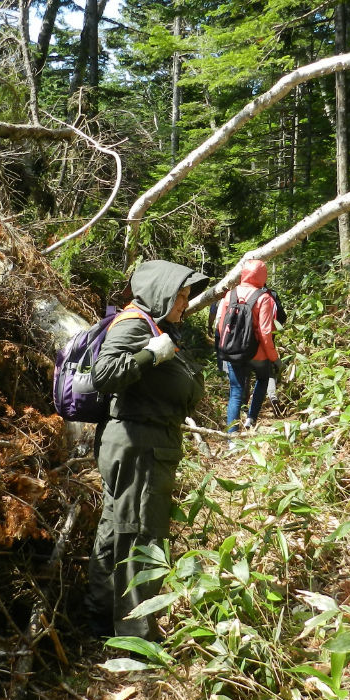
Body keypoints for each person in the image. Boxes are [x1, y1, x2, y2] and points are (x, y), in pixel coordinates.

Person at [85, 259, 208, 639]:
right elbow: (102, 376)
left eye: (188, 296)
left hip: (147, 446)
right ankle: (135, 637)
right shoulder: (136, 324)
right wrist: (150, 355)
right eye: (181, 295)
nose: (186, 303)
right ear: (161, 293)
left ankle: (99, 620)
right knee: (140, 536)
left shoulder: (155, 325)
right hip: (139, 448)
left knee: (119, 531)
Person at [214, 258, 281, 433]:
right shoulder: (264, 298)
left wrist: (225, 348)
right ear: (262, 276)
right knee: (262, 379)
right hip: (258, 354)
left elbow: (222, 326)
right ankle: (251, 419)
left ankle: (232, 438)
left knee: (235, 392)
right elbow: (266, 333)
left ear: (244, 273)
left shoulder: (231, 294)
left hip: (234, 351)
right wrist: (274, 358)